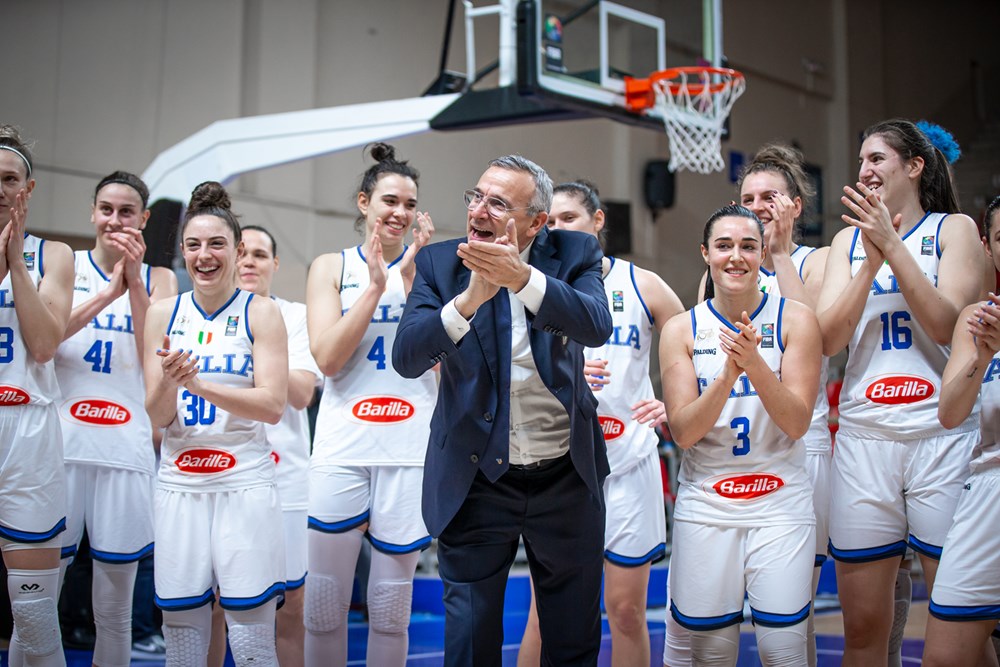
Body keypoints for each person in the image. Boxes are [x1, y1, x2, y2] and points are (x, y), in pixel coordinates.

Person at [392, 154, 614, 666]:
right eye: (476, 197)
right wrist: (467, 302)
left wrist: (523, 279)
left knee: (572, 639)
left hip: (565, 475)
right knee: (470, 642)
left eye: (498, 203)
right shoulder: (440, 264)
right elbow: (407, 358)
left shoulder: (575, 250)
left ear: (537, 222)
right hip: (475, 478)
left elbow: (595, 325)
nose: (480, 211)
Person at [816, 118, 984, 664]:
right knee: (863, 629)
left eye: (877, 159)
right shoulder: (845, 240)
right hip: (865, 439)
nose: (864, 171)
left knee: (959, 623)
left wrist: (893, 244)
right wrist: (869, 259)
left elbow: (947, 325)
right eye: (861, 161)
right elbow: (828, 339)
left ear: (914, 166)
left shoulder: (952, 229)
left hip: (942, 434)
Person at [516, 180, 683, 667]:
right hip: (559, 466)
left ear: (597, 221)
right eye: (551, 220)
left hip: (628, 461)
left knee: (626, 610)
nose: (559, 228)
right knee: (542, 613)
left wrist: (677, 405)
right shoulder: (532, 285)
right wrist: (559, 366)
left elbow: (700, 341)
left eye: (570, 217)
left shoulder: (642, 284)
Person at [659, 204, 821, 665]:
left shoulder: (796, 320)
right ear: (705, 253)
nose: (736, 256)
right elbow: (684, 432)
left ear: (763, 251)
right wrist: (730, 372)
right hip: (707, 503)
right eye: (724, 246)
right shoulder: (681, 329)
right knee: (711, 654)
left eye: (748, 246)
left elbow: (796, 423)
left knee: (784, 652)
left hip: (780, 502)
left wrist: (755, 367)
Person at [143, 181, 288, 666]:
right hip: (180, 483)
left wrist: (198, 383)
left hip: (242, 482)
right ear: (183, 251)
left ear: (237, 249)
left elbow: (272, 405)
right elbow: (158, 416)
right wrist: (170, 383)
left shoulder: (261, 312)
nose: (204, 256)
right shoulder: (163, 313)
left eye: (216, 244)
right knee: (182, 635)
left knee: (249, 639)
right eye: (193, 245)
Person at [304, 142, 435, 667]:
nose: (399, 212)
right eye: (389, 200)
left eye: (409, 203)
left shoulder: (434, 271)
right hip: (342, 445)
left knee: (389, 608)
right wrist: (377, 290)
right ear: (364, 203)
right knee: (324, 604)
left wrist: (413, 289)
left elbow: (448, 371)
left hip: (408, 446)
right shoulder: (330, 267)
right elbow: (328, 360)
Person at [51, 171, 176, 667]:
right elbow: (46, 338)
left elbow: (158, 350)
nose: (115, 221)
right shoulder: (63, 264)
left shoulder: (161, 277)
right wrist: (108, 293)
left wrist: (135, 282)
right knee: (37, 600)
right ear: (92, 212)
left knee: (115, 607)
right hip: (60, 443)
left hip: (125, 446)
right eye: (107, 209)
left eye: (127, 212)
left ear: (143, 219)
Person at [0, 124, 75, 667]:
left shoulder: (55, 254)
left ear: (28, 189)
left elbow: (45, 344)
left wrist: (17, 262)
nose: (0, 188)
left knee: (33, 614)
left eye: (9, 179)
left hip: (28, 432)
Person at [237, 224, 321, 667]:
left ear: (274, 263)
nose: (249, 261)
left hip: (285, 477)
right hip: (220, 473)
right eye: (242, 252)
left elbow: (303, 394)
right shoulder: (202, 315)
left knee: (291, 607)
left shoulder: (294, 316)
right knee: (217, 605)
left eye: (259, 254)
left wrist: (264, 348)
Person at [923, 195, 1000, 667]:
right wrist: (983, 358)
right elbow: (949, 415)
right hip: (986, 489)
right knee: (944, 658)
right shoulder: (975, 319)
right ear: (989, 247)